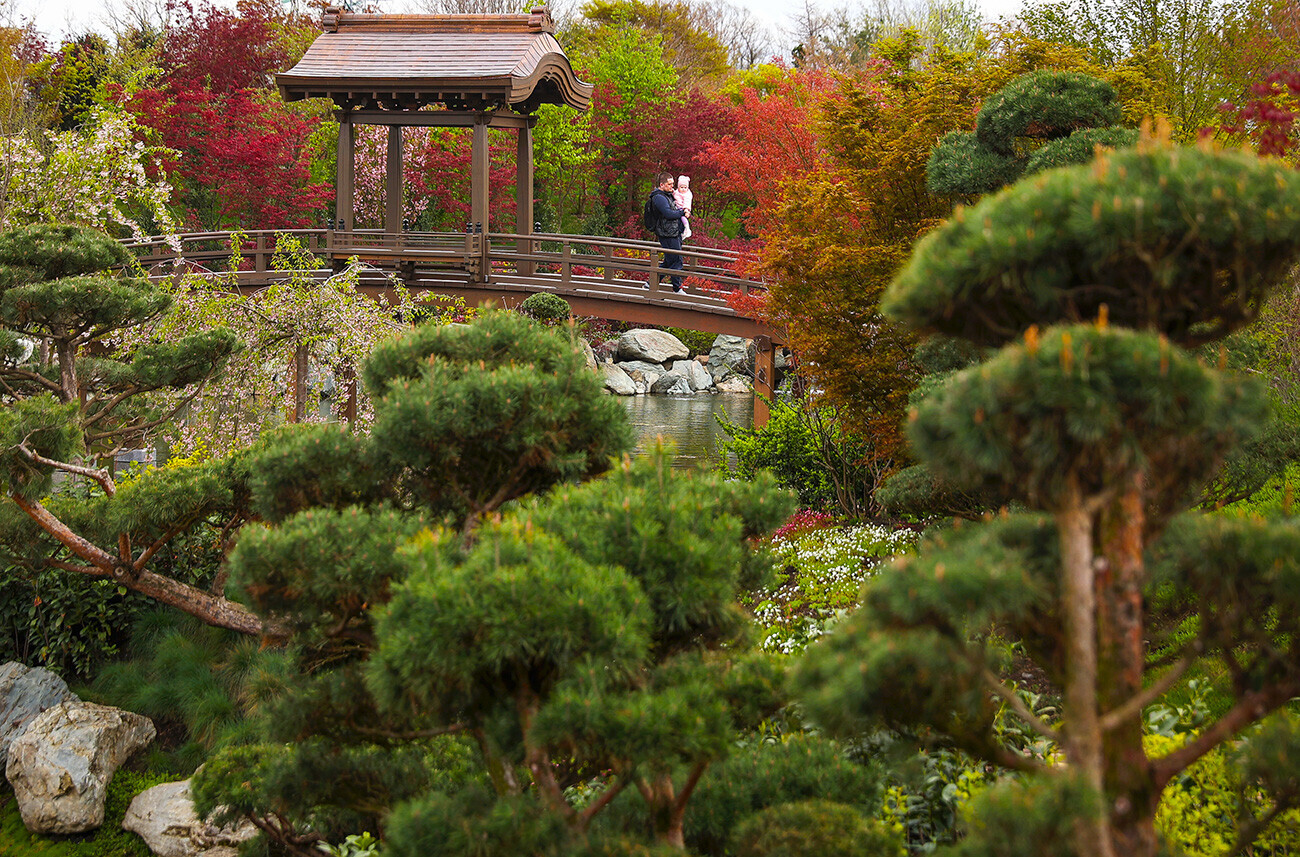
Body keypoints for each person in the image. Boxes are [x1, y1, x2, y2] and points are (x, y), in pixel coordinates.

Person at [647, 171, 687, 292]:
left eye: (673, 184)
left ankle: (651, 283)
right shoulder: (659, 197)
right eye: (669, 184)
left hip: (673, 232)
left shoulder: (668, 195)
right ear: (662, 184)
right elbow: (668, 214)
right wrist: (682, 212)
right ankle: (677, 288)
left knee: (670, 260)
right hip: (667, 233)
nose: (672, 186)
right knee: (676, 260)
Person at [673, 175, 693, 239]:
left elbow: (687, 202)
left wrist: (686, 210)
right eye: (681, 187)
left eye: (685, 187)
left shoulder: (687, 194)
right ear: (678, 187)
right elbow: (673, 194)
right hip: (676, 207)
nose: (683, 189)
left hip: (683, 208)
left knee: (683, 217)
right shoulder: (676, 192)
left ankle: (687, 228)